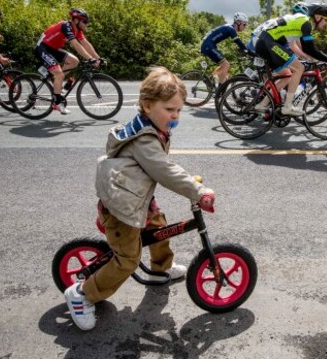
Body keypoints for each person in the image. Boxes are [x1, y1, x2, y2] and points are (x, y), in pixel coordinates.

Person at [64, 66, 216, 331]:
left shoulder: (149, 127)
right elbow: (163, 169)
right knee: (128, 259)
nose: (175, 116)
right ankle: (82, 295)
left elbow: (158, 164)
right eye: (170, 110)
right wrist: (197, 191)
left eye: (179, 110)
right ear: (147, 105)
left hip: (136, 197)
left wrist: (188, 183)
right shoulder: (144, 138)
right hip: (123, 208)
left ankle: (160, 270)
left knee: (160, 228)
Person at [252, 2, 327, 116]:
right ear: (318, 17)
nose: (326, 23)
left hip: (265, 43)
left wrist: (313, 59)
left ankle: (262, 105)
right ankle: (288, 106)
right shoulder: (306, 23)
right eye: (326, 19)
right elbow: (311, 49)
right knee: (299, 68)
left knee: (287, 75)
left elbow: (305, 49)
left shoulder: (302, 21)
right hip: (268, 43)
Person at [34, 8, 101, 114]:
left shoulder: (77, 30)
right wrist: (90, 59)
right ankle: (56, 103)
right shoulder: (66, 26)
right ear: (75, 20)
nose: (86, 24)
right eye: (84, 22)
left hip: (53, 49)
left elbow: (86, 44)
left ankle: (55, 79)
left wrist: (98, 58)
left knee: (74, 61)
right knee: (60, 74)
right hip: (42, 48)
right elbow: (76, 45)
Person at [200, 12, 249, 91]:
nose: (245, 27)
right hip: (208, 46)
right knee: (226, 65)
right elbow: (238, 42)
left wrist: (242, 50)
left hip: (208, 45)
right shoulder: (231, 29)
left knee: (224, 66)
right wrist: (247, 51)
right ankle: (218, 88)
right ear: (239, 23)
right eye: (244, 24)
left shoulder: (229, 28)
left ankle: (213, 82)